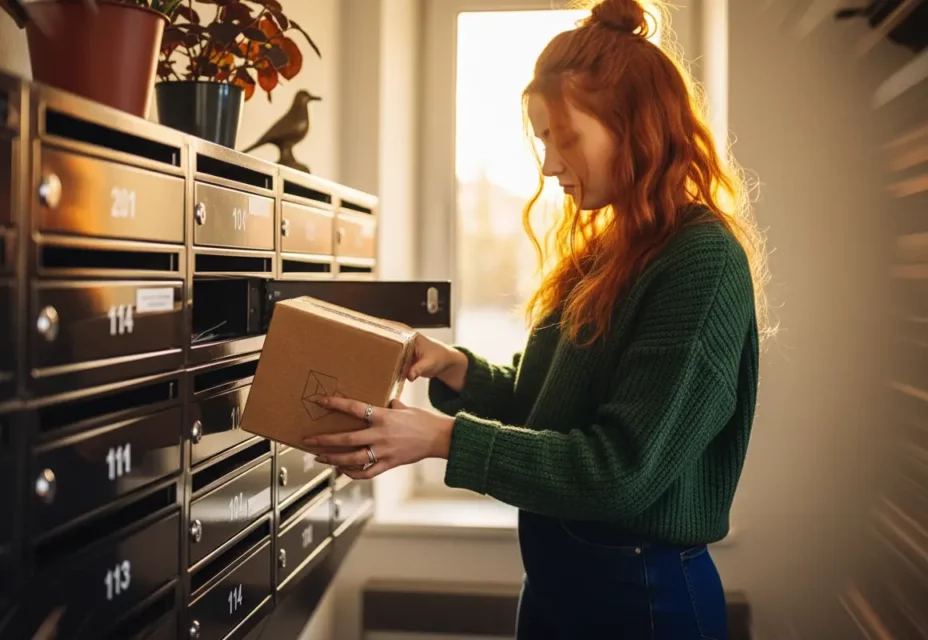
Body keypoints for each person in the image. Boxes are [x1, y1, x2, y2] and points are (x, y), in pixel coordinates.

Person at [302, 0, 771, 637]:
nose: (549, 166)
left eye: (565, 138)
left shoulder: (701, 260)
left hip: (645, 602)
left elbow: (619, 472)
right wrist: (457, 369)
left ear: (636, 126)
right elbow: (544, 405)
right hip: (558, 586)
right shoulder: (604, 254)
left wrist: (439, 438)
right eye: (543, 141)